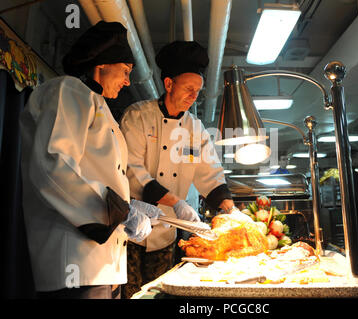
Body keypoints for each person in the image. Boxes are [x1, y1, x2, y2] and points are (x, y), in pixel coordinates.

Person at [19, 21, 163, 299]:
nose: (127, 81)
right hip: (74, 261)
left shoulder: (98, 106)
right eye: (125, 71)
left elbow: (96, 175)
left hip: (102, 263)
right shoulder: (68, 90)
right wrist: (121, 213)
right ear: (103, 64)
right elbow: (54, 166)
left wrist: (130, 206)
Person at [120, 40, 239, 298]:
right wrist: (176, 202)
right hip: (131, 230)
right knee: (131, 296)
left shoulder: (195, 129)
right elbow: (132, 170)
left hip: (165, 236)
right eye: (188, 88)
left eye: (198, 90)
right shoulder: (138, 116)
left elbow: (210, 172)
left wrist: (231, 210)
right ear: (169, 84)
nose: (194, 96)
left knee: (160, 295)